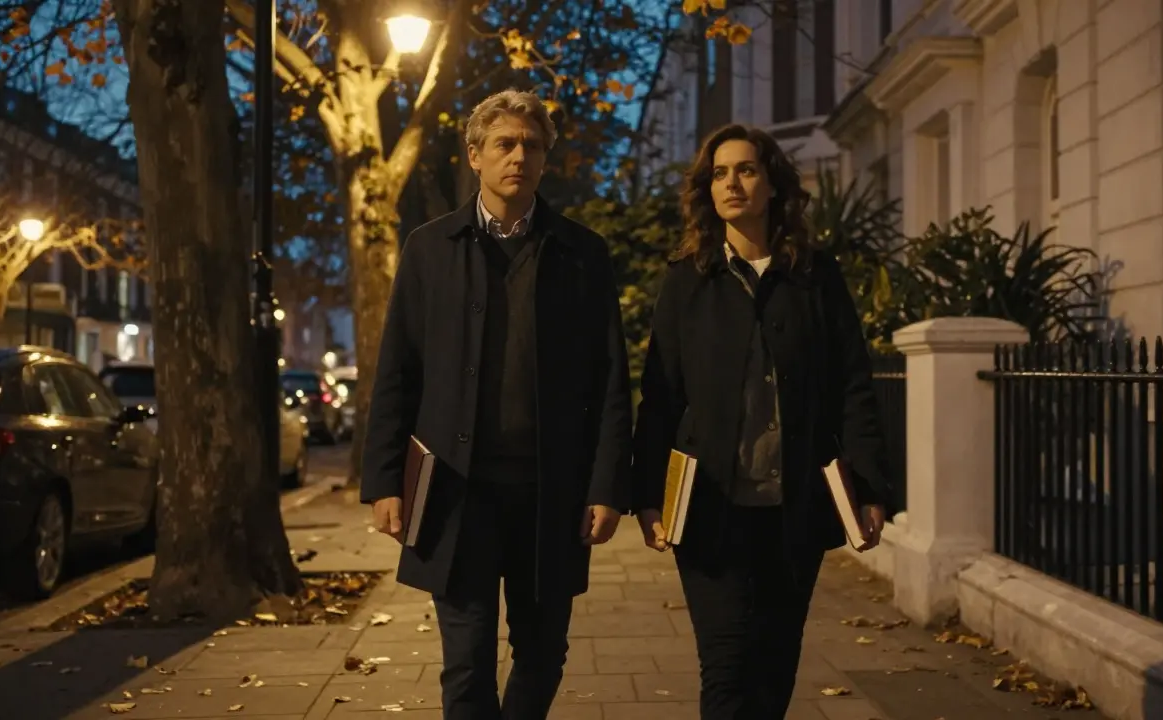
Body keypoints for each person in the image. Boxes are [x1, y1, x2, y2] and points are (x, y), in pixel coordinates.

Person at [359, 88, 634, 720]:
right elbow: (398, 371)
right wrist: (383, 482)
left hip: (551, 494)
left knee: (544, 654)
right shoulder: (430, 248)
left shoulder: (581, 253)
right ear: (475, 155)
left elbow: (610, 381)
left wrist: (606, 486)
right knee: (466, 663)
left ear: (545, 159)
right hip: (457, 495)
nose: (519, 156)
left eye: (531, 146)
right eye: (504, 144)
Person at [631, 123, 891, 719]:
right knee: (725, 672)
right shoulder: (685, 281)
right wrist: (648, 496)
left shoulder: (815, 278)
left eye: (746, 170)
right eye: (720, 173)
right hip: (707, 512)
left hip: (792, 510)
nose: (732, 183)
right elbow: (661, 399)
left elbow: (853, 387)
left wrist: (872, 488)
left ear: (772, 183)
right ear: (707, 189)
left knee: (773, 674)